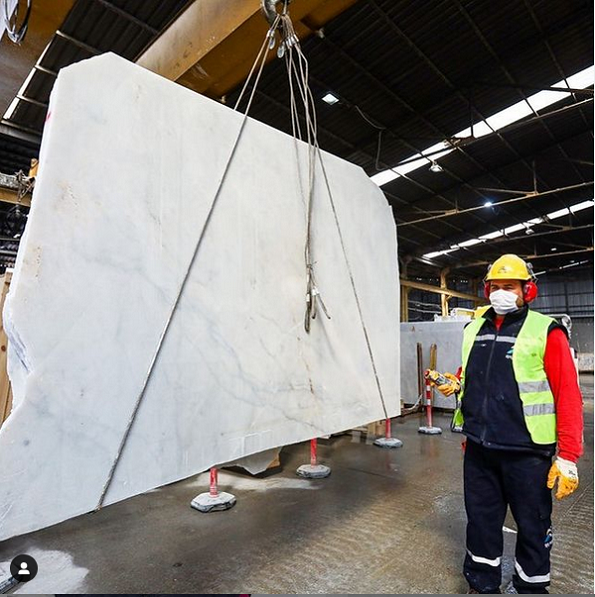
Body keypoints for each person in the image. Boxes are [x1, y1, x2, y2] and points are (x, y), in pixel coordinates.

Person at [435, 254, 583, 594]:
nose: (502, 293)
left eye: (510, 286)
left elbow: (568, 395)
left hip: (527, 453)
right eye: (496, 286)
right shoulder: (474, 328)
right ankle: (482, 584)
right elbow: (476, 374)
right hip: (479, 448)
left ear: (526, 290)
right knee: (481, 523)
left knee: (532, 526)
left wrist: (568, 456)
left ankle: (530, 587)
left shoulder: (546, 331)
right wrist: (456, 383)